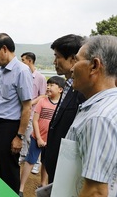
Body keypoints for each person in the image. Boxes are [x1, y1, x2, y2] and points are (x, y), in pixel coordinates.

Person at [66, 35, 117, 197]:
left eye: (76, 60)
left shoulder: (99, 118)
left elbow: (95, 191)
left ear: (94, 66)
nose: (71, 68)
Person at [0, 33, 33, 194]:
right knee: (1, 166)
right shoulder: (2, 70)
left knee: (9, 169)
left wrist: (19, 136)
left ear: (4, 49)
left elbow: (27, 107)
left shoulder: (21, 71)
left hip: (11, 128)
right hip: (0, 125)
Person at [44, 34, 86, 183]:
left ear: (73, 59)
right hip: (56, 162)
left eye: (58, 57)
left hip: (67, 168)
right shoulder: (68, 85)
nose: (54, 62)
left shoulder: (82, 93)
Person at [19, 76, 65, 197]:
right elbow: (35, 121)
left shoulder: (62, 104)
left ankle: (43, 185)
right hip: (37, 137)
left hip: (51, 140)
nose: (48, 87)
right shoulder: (42, 101)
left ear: (60, 89)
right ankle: (21, 187)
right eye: (48, 85)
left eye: (52, 85)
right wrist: (38, 138)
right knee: (30, 161)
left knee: (46, 162)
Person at [19, 52, 47, 175]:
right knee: (24, 136)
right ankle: (24, 156)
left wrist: (30, 103)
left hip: (33, 112)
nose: (22, 62)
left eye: (23, 60)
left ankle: (36, 163)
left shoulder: (40, 77)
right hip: (23, 111)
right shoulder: (23, 75)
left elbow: (43, 95)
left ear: (30, 61)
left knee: (32, 138)